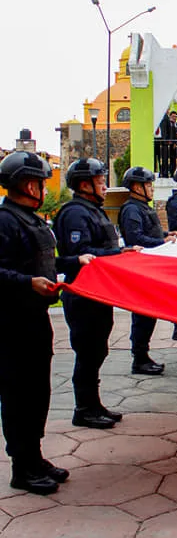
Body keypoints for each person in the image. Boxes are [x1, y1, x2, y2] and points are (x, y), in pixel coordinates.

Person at [0, 151, 92, 494]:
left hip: (35, 318)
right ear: (28, 184)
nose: (43, 187)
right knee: (18, 394)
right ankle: (21, 467)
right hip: (12, 323)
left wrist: (74, 260)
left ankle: (34, 457)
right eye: (40, 181)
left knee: (38, 391)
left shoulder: (32, 219)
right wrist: (27, 283)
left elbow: (46, 261)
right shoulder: (5, 220)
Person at [54, 158, 127, 430]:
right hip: (82, 293)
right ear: (84, 184)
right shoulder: (75, 213)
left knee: (97, 350)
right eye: (100, 182)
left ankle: (93, 404)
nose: (105, 186)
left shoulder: (92, 210)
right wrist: (118, 254)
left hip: (98, 293)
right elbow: (81, 253)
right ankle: (83, 408)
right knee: (87, 352)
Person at [119, 167, 177, 375]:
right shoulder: (131, 210)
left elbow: (150, 231)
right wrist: (161, 241)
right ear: (137, 187)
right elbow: (136, 239)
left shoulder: (142, 207)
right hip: (141, 269)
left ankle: (143, 355)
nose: (151, 189)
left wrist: (166, 234)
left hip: (149, 268)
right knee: (142, 316)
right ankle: (139, 358)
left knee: (149, 315)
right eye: (148, 185)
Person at [158, 109, 177, 178]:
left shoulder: (175, 124)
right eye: (173, 116)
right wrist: (167, 141)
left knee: (173, 159)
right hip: (166, 143)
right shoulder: (164, 118)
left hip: (173, 144)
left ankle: (172, 172)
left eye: (175, 116)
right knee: (165, 159)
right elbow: (164, 131)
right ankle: (164, 173)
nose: (174, 118)